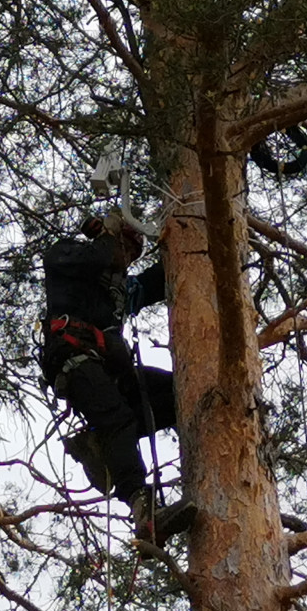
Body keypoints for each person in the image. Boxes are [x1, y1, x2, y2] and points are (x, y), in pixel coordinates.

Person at [41, 214, 195, 544]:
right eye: (124, 248)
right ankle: (142, 508)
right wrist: (108, 236)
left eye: (132, 253)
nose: (126, 258)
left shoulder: (121, 291)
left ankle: (100, 444)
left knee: (175, 394)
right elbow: (92, 257)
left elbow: (157, 279)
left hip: (107, 369)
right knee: (118, 418)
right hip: (72, 358)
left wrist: (195, 240)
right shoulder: (66, 256)